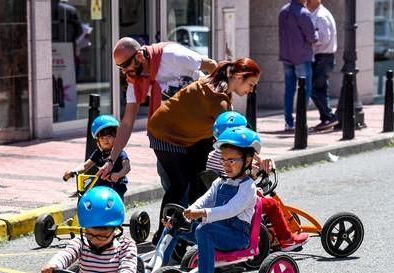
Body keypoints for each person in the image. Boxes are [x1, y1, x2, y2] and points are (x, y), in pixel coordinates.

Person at [147, 58, 261, 241]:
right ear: (239, 77)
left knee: (199, 179)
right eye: (251, 84)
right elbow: (233, 136)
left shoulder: (218, 87)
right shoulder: (219, 99)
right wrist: (255, 155)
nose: (252, 90)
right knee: (180, 183)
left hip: (190, 136)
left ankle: (193, 227)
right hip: (164, 133)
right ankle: (165, 234)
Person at [97, 37, 217, 187]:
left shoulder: (172, 55)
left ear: (139, 56)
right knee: (174, 184)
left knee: (199, 182)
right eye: (120, 68)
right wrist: (111, 160)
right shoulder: (135, 80)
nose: (124, 72)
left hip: (198, 126)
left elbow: (212, 66)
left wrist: (216, 104)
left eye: (126, 65)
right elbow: (127, 123)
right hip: (168, 130)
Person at [160, 127, 260, 273]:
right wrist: (189, 212)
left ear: (248, 159)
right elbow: (205, 199)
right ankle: (158, 269)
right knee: (176, 225)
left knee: (204, 230)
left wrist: (203, 213)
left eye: (232, 161)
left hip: (237, 236)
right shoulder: (220, 182)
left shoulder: (248, 187)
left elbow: (231, 209)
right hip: (215, 230)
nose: (226, 165)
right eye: (224, 160)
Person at [207, 111, 309, 251]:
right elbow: (238, 181)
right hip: (236, 201)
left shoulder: (214, 155)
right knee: (272, 204)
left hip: (224, 199)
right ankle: (287, 240)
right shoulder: (232, 157)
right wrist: (253, 177)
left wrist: (260, 162)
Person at [62, 115, 130, 199]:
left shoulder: (119, 152)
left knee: (113, 204)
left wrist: (119, 174)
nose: (106, 140)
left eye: (109, 136)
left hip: (116, 187)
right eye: (102, 137)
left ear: (116, 137)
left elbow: (127, 167)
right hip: (101, 187)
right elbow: (85, 166)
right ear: (97, 141)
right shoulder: (98, 153)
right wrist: (72, 172)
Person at [278, 0, 317, 131]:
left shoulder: (283, 11)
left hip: (286, 56)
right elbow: (311, 37)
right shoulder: (304, 13)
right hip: (302, 56)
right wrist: (316, 34)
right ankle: (301, 121)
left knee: (289, 90)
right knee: (305, 90)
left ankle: (288, 122)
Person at [306, 0, 338, 132]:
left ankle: (329, 116)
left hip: (323, 57)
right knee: (320, 88)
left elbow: (324, 38)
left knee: (314, 87)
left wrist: (311, 39)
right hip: (322, 57)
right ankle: (326, 117)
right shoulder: (317, 14)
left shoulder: (321, 16)